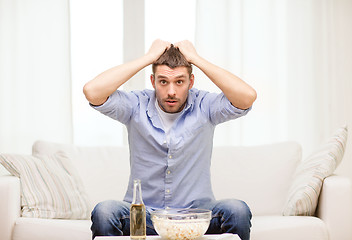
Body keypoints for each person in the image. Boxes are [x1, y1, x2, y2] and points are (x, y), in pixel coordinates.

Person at [83, 39, 257, 240]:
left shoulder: (205, 106)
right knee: (105, 211)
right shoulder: (135, 105)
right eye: (163, 81)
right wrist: (148, 58)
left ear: (191, 82)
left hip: (195, 216)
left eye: (180, 82)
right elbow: (92, 91)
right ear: (153, 81)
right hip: (144, 217)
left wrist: (196, 59)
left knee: (238, 210)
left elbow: (247, 96)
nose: (171, 91)